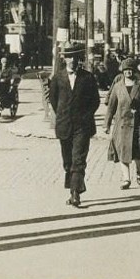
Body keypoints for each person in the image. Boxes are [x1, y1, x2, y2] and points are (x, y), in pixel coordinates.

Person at [49, 41, 101, 208]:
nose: (72, 60)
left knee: (78, 159)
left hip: (82, 126)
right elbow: (53, 99)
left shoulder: (88, 77)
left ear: (79, 59)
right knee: (68, 160)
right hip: (64, 125)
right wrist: (63, 115)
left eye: (74, 57)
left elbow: (95, 101)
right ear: (64, 59)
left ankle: (75, 193)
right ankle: (73, 187)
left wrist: (85, 116)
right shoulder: (58, 77)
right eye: (68, 57)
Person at [104, 58, 140, 189]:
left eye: (130, 70)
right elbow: (111, 107)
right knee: (122, 150)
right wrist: (106, 124)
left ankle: (139, 170)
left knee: (138, 151)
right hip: (122, 124)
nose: (128, 73)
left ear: (134, 71)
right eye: (125, 70)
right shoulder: (118, 86)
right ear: (122, 72)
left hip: (138, 124)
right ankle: (126, 178)